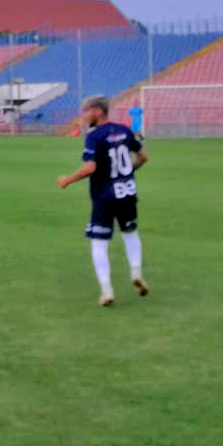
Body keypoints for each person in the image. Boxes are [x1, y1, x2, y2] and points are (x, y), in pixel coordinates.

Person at [57, 95, 149, 306]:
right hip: (127, 193)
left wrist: (67, 180)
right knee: (130, 234)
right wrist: (127, 173)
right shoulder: (125, 130)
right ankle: (136, 273)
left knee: (99, 243)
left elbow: (90, 168)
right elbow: (143, 157)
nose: (84, 115)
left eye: (86, 110)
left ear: (98, 111)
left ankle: (107, 291)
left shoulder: (94, 136)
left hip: (104, 197)